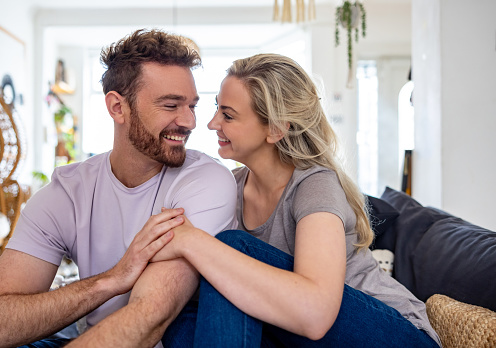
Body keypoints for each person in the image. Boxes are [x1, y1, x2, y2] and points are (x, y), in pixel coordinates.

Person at [154, 53, 441, 347]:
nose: (212, 123)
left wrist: (193, 241)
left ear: (276, 129)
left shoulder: (315, 184)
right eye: (217, 108)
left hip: (395, 335)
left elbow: (315, 315)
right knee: (182, 311)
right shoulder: (229, 188)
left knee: (234, 248)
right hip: (296, 334)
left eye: (228, 115)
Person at [0, 29, 237, 348]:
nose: (190, 122)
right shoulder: (68, 192)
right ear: (117, 108)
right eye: (171, 105)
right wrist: (111, 281)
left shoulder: (205, 181)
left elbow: (148, 317)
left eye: (192, 105)